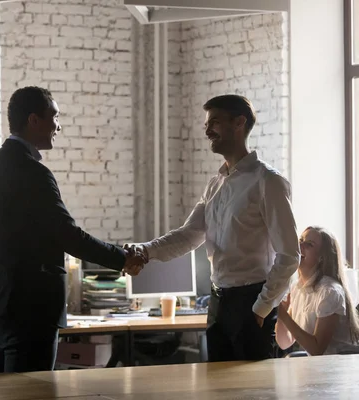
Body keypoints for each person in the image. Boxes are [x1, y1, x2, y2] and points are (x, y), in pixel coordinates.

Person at [0, 86, 146, 373]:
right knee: (31, 394)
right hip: (31, 310)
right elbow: (65, 234)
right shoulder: (35, 174)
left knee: (1, 394)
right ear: (33, 120)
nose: (58, 126)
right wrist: (121, 258)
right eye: (54, 116)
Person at [128, 94, 300, 362]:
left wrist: (261, 308)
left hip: (252, 302)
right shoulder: (214, 185)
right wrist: (144, 250)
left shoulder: (269, 181)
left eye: (215, 122)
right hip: (218, 301)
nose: (208, 131)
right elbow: (188, 235)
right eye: (207, 124)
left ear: (239, 123)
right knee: (218, 388)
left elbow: (290, 254)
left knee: (253, 392)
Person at [276, 227, 359, 355]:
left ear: (322, 258)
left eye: (309, 244)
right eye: (301, 240)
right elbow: (284, 343)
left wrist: (284, 316)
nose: (299, 245)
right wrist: (281, 317)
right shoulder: (296, 288)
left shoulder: (330, 292)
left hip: (340, 368)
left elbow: (317, 349)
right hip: (319, 367)